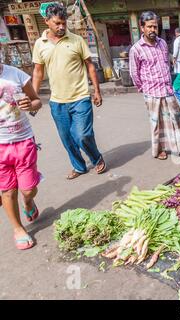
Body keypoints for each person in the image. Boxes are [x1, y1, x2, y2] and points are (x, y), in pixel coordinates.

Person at [32, 3, 107, 179]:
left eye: (64, 23)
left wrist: (97, 90)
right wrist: (33, 98)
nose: (61, 27)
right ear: (47, 22)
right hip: (57, 101)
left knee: (81, 135)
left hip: (80, 97)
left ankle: (96, 158)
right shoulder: (40, 44)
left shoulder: (76, 40)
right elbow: (37, 72)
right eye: (57, 23)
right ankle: (79, 166)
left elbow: (90, 66)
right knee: (67, 138)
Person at [129, 12, 180, 160]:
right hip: (151, 92)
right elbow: (134, 73)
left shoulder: (163, 43)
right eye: (149, 26)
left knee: (175, 117)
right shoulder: (136, 49)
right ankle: (160, 150)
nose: (153, 29)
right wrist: (144, 88)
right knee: (157, 124)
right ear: (142, 28)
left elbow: (166, 64)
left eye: (155, 26)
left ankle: (177, 146)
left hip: (167, 89)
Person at [0, 63, 42, 250]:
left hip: (23, 141)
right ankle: (18, 229)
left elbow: (37, 101)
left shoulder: (15, 74)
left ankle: (28, 201)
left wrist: (29, 104)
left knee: (28, 189)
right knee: (8, 191)